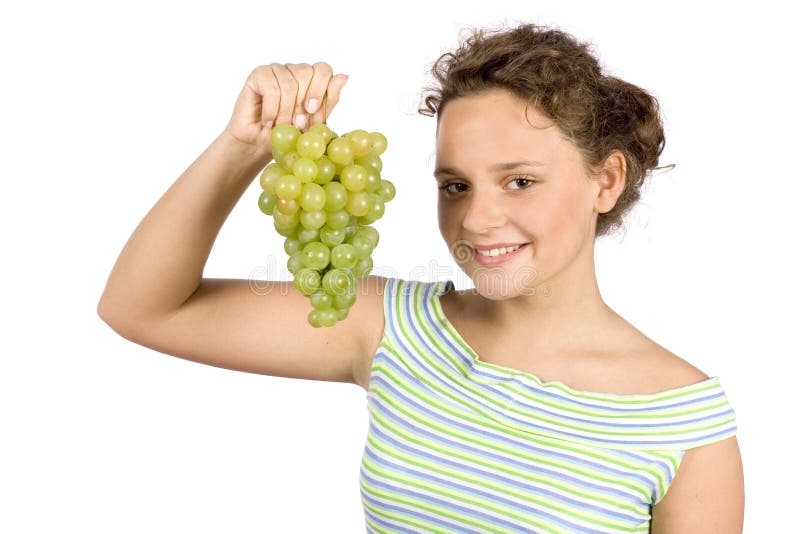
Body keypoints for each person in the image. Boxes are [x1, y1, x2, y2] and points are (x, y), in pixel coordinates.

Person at [98, 22, 744, 533]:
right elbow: (142, 308)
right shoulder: (390, 328)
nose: (478, 218)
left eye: (520, 181)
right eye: (454, 185)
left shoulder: (683, 420)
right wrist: (245, 146)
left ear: (605, 181)